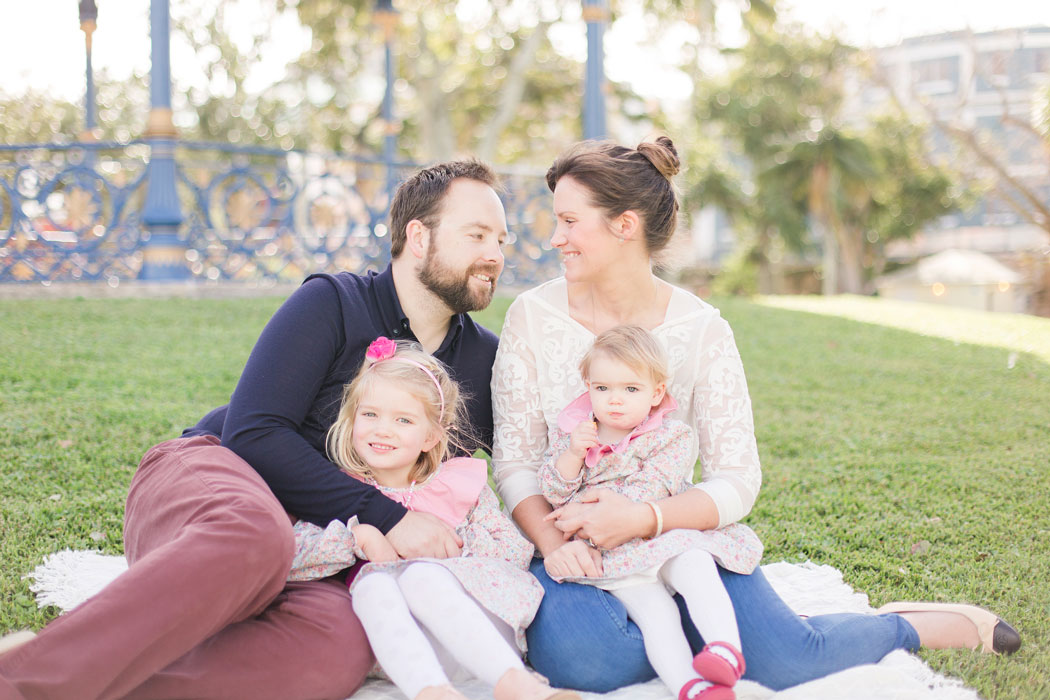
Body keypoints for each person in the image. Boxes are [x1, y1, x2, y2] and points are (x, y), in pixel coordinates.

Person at [490, 136, 1021, 694]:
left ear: (625, 225)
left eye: (571, 222)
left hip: (671, 536)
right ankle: (708, 632)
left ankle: (905, 625)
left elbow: (738, 479)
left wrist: (643, 517)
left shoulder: (702, 330)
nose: (556, 239)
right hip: (568, 541)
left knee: (789, 661)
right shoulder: (533, 316)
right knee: (590, 661)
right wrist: (555, 546)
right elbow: (516, 463)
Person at [0, 159, 509, 700]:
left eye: (502, 239)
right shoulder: (333, 302)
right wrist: (391, 518)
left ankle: (86, 682)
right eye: (476, 235)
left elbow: (528, 464)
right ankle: (22, 684)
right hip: (215, 478)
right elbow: (255, 433)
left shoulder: (484, 361)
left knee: (336, 648)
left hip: (324, 551)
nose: (495, 255)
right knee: (256, 537)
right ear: (418, 236)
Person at [288, 337, 577, 700]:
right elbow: (291, 557)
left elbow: (513, 551)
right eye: (370, 414)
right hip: (406, 645)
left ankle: (516, 684)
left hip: (479, 625)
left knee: (423, 575)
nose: (382, 429)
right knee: (373, 585)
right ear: (352, 418)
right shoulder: (344, 492)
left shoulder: (455, 485)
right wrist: (357, 537)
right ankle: (432, 693)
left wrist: (451, 547)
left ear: (431, 436)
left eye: (403, 420)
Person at [538, 325, 761, 700]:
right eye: (602, 388)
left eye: (631, 389)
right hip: (612, 552)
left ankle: (724, 649)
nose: (615, 400)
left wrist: (590, 508)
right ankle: (689, 687)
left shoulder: (670, 437)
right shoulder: (574, 436)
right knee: (655, 614)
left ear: (656, 393)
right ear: (588, 386)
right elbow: (552, 490)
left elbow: (655, 486)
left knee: (695, 564)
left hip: (659, 536)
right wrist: (572, 456)